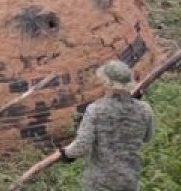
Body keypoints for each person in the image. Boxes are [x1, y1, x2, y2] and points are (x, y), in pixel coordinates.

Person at [59, 60, 155, 191]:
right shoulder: (145, 109)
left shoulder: (95, 110)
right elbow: (147, 138)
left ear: (108, 83)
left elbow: (82, 145)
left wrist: (66, 154)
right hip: (129, 179)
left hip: (100, 182)